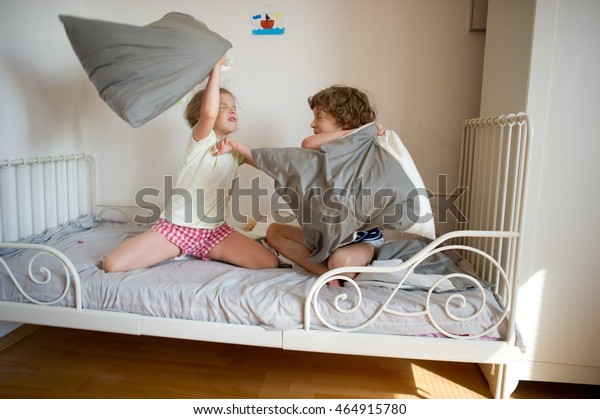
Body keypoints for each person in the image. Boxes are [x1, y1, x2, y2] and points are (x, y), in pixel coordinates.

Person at [103, 55, 279, 272]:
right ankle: (179, 250)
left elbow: (265, 165)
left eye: (233, 107)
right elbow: (208, 113)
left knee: (269, 263)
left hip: (213, 232)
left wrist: (236, 147)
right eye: (224, 107)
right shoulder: (202, 138)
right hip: (178, 227)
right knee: (112, 265)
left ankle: (196, 251)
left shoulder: (234, 148)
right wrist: (216, 68)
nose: (232, 110)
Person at [214, 85, 386, 286]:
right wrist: (239, 152)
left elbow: (307, 143)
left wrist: (362, 132)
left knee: (341, 262)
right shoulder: (321, 158)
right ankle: (325, 274)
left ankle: (336, 270)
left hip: (361, 241)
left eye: (319, 116)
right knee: (274, 232)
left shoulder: (364, 149)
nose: (312, 123)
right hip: (328, 240)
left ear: (345, 120)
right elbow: (279, 168)